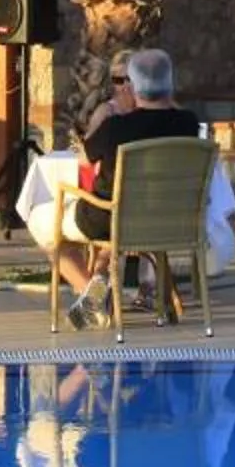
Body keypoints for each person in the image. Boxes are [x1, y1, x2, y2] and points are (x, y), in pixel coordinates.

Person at [53, 48, 201, 330]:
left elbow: (84, 158)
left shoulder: (115, 127)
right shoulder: (189, 124)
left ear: (132, 86)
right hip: (168, 220)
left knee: (52, 234)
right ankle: (98, 290)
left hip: (111, 219)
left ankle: (92, 295)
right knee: (117, 226)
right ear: (170, 84)